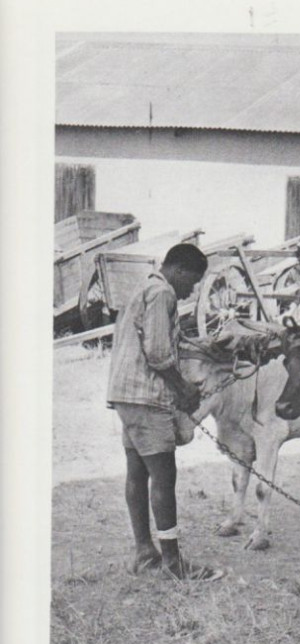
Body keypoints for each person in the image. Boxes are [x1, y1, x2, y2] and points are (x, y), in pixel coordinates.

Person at [107, 242, 223, 580]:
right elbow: (158, 354)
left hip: (126, 395)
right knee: (164, 475)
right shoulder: (163, 294)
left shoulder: (143, 288)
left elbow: (157, 341)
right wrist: (184, 390)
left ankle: (145, 551)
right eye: (194, 281)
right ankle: (173, 564)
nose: (193, 290)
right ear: (180, 271)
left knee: (137, 473)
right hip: (147, 397)